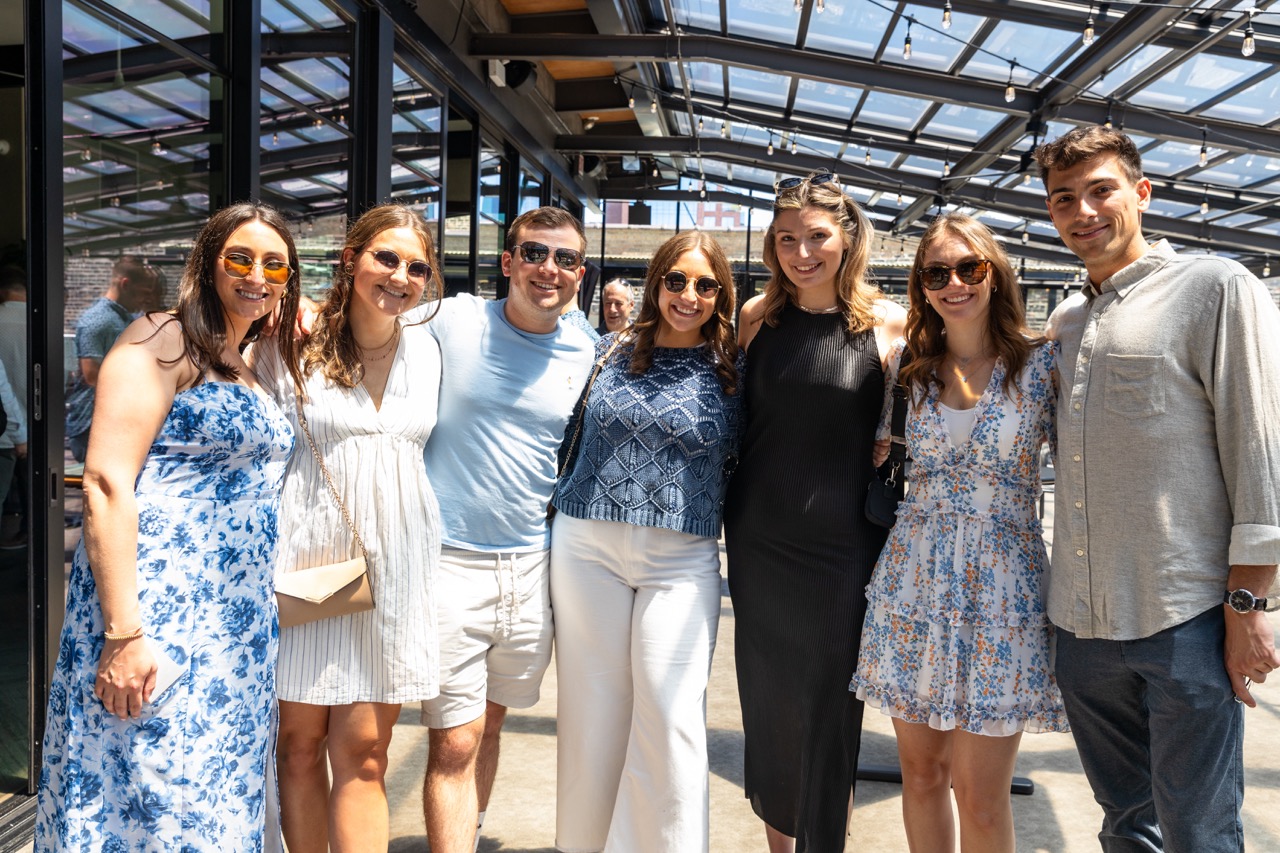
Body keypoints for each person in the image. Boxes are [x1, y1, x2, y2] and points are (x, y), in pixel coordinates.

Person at [1037, 125, 1280, 852]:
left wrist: (1249, 605)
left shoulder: (1214, 288)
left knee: (1200, 829)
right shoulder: (1067, 321)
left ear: (1141, 193)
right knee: (1125, 824)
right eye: (1063, 199)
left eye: (1100, 190)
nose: (1083, 210)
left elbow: (1260, 454)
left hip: (1186, 619)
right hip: (1080, 624)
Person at [35, 202, 302, 851]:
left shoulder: (245, 357)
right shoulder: (162, 336)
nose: (256, 276)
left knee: (212, 801)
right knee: (149, 797)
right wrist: (123, 634)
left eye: (275, 264)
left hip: (232, 632)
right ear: (207, 262)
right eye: (240, 258)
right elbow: (105, 483)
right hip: (157, 617)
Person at [849, 213, 1068, 853]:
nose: (955, 283)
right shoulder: (908, 370)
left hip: (1003, 597)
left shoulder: (1041, 365)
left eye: (969, 268)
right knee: (921, 775)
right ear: (922, 285)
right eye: (937, 272)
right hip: (911, 590)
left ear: (995, 275)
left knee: (979, 794)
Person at [724, 172, 905, 853]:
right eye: (787, 238)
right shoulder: (754, 319)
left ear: (848, 237)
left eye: (817, 237)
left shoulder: (885, 323)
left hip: (844, 545)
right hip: (758, 540)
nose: (802, 252)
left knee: (831, 709)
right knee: (769, 706)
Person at [255, 204, 444, 852]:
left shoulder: (429, 347)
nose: (400, 275)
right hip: (310, 568)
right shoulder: (292, 340)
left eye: (417, 266)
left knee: (367, 752)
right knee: (300, 747)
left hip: (395, 572)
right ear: (349, 258)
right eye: (385, 258)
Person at [550, 231, 742, 852]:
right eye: (676, 280)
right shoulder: (606, 350)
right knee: (591, 714)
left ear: (723, 295)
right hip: (586, 547)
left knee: (670, 714)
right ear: (656, 282)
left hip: (681, 557)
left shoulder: (735, 368)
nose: (689, 296)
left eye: (706, 285)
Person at [418, 206, 597, 853]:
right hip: (447, 562)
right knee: (454, 736)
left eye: (564, 258)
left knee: (489, 725)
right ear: (507, 261)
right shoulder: (452, 319)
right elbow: (368, 329)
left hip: (530, 566)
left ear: (581, 273)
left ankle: (470, 831)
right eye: (533, 253)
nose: (548, 268)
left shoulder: (586, 349)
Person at [64, 256, 154, 462]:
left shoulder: (127, 318)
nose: (147, 299)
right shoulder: (98, 321)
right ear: (125, 284)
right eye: (144, 292)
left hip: (116, 418)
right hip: (94, 423)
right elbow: (92, 375)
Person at [0, 267, 27, 548]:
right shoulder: (42, 321)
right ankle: (29, 532)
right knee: (34, 487)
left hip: (7, 425)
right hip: (34, 419)